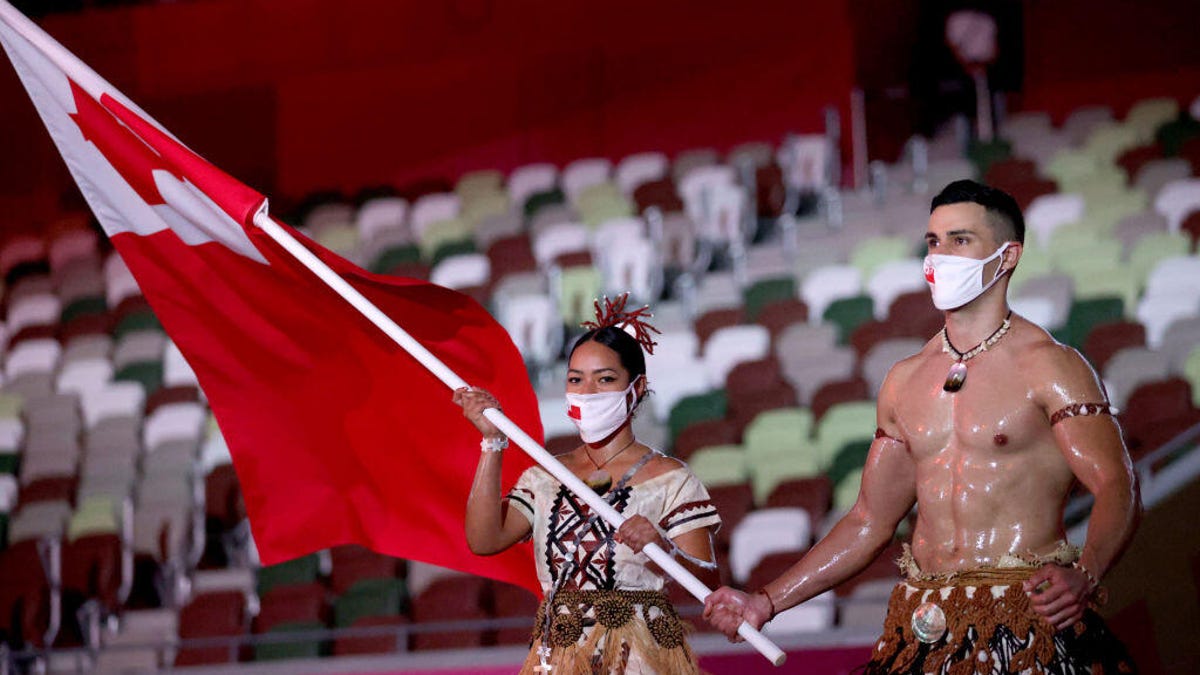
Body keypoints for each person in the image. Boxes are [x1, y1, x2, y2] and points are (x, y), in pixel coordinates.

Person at [703, 180, 1140, 674]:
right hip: (924, 627)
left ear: (1008, 255)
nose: (940, 256)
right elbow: (869, 521)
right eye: (933, 242)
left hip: (1027, 625)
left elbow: (1117, 483)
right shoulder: (904, 380)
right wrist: (765, 602)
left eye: (960, 240)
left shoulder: (1052, 366)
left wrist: (1086, 571)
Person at [456, 295, 721, 674]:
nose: (588, 392)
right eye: (576, 379)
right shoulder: (546, 473)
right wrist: (492, 441)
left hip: (641, 660)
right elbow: (483, 540)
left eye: (606, 379)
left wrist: (663, 550)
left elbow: (711, 586)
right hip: (557, 658)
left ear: (638, 386)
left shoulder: (671, 478)